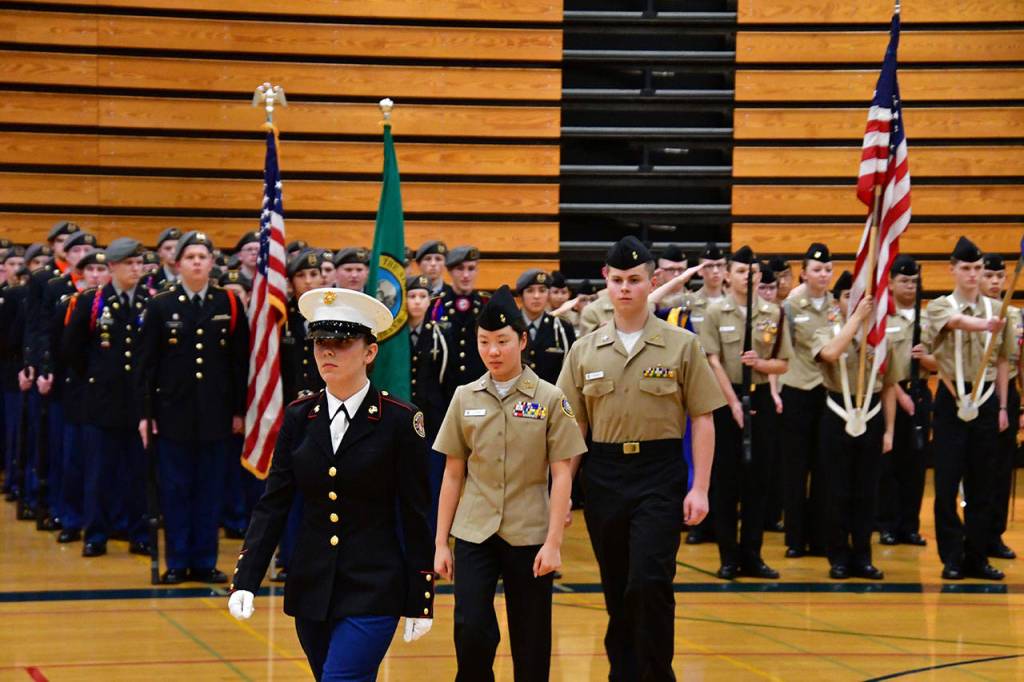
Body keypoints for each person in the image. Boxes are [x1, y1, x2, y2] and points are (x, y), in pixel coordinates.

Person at [227, 286, 435, 682]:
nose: (327, 352)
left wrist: (420, 597)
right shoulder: (299, 416)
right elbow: (274, 503)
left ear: (369, 352)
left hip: (374, 585)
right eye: (321, 342)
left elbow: (415, 513)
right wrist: (246, 579)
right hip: (312, 586)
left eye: (341, 342)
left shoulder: (399, 420)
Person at [557, 236, 724, 681]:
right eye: (618, 280)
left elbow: (703, 419)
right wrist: (562, 493)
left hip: (660, 472)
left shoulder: (681, 344)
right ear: (605, 284)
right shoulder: (584, 350)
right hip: (604, 475)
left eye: (635, 280)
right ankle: (623, 673)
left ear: (652, 282)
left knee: (649, 582)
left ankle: (655, 674)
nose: (626, 288)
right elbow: (573, 428)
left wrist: (700, 486)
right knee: (617, 588)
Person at [433, 285, 586, 682]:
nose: (493, 351)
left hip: (529, 531)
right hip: (474, 530)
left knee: (531, 638)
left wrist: (554, 542)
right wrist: (440, 543)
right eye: (484, 342)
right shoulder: (464, 397)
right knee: (470, 630)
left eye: (502, 341)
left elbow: (562, 473)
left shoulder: (551, 399)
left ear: (521, 340)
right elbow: (453, 472)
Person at [136, 231, 250, 584]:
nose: (197, 262)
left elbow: (239, 364)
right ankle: (178, 560)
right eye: (191, 257)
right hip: (173, 414)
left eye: (203, 256)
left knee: (210, 490)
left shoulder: (228, 304)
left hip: (216, 415)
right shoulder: (160, 305)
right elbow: (145, 365)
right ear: (177, 263)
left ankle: (204, 560)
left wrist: (239, 411)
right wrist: (145, 413)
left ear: (212, 263)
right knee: (176, 489)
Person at [699, 246, 790, 579]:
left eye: (751, 273)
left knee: (758, 480)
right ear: (727, 275)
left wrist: (762, 364)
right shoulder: (715, 312)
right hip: (726, 401)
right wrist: (734, 403)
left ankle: (753, 554)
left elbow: (783, 361)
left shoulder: (773, 313)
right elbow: (712, 360)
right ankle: (728, 557)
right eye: (740, 271)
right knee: (726, 480)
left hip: (762, 397)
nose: (746, 277)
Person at [926, 236, 1012, 581]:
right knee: (946, 483)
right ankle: (952, 556)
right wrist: (983, 326)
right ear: (952, 270)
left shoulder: (999, 311)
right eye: (966, 268)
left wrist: (1004, 405)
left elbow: (1004, 360)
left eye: (978, 268)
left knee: (983, 484)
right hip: (951, 399)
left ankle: (978, 555)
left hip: (986, 400)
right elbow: (956, 323)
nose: (973, 275)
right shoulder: (940, 305)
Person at [62, 240, 152, 557]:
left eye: (139, 263)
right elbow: (72, 350)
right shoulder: (93, 302)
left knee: (138, 473)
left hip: (139, 403)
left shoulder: (149, 302)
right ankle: (96, 533)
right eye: (129, 264)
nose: (136, 269)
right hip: (101, 402)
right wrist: (95, 379)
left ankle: (138, 532)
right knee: (99, 473)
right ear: (112, 267)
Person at [812, 271, 903, 580]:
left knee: (867, 492)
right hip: (838, 413)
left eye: (860, 297)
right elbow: (829, 353)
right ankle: (838, 557)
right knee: (837, 491)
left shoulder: (881, 337)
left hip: (872, 414)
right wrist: (855, 321)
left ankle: (863, 557)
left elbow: (889, 385)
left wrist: (889, 430)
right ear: (837, 302)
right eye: (847, 296)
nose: (855, 302)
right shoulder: (826, 330)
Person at [779, 243, 835, 558]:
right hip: (796, 389)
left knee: (824, 467)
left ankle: (820, 536)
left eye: (827, 269)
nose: (823, 274)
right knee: (795, 469)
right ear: (804, 272)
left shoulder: (837, 306)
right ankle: (795, 538)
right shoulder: (790, 305)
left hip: (825, 391)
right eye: (817, 269)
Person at [877, 254, 931, 547]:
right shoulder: (886, 318)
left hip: (921, 391)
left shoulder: (927, 317)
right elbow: (883, 364)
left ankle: (910, 526)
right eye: (904, 281)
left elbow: (939, 362)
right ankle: (887, 523)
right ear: (891, 283)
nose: (910, 286)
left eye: (914, 281)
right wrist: (900, 393)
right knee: (890, 462)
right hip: (892, 392)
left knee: (916, 463)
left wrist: (928, 358)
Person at [980, 253, 1020, 561]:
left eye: (1000, 277)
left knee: (1001, 470)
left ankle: (994, 535)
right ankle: (974, 532)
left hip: (1008, 394)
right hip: (977, 392)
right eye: (989, 276)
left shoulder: (1016, 315)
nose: (995, 282)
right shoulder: (971, 312)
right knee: (976, 467)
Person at [406, 274, 449, 531]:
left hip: (431, 421)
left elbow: (445, 379)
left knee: (432, 483)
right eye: (412, 296)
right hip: (402, 418)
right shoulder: (395, 337)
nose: (418, 302)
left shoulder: (439, 336)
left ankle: (432, 538)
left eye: (423, 296)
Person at [432, 246, 490, 394]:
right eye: (460, 269)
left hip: (480, 388)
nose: (466, 275)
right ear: (450, 271)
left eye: (471, 269)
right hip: (444, 390)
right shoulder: (437, 306)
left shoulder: (485, 304)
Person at [515, 268, 576, 384]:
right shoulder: (509, 326)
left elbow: (571, 370)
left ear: (548, 294)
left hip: (550, 398)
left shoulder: (562, 328)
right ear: (520, 296)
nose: (537, 296)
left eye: (542, 290)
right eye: (530, 291)